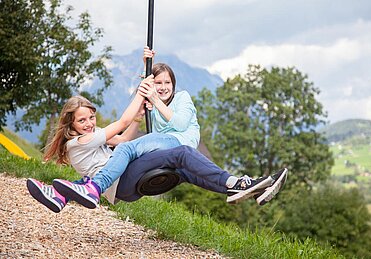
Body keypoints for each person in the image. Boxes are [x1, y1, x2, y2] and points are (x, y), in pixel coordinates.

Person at [27, 48, 285, 213]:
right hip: (123, 182)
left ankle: (244, 187)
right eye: (82, 120)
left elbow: (131, 134)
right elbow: (124, 125)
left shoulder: (181, 98)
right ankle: (91, 189)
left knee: (187, 170)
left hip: (130, 180)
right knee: (171, 152)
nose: (90, 123)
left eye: (91, 118)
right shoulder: (84, 141)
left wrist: (145, 105)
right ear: (71, 124)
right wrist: (144, 85)